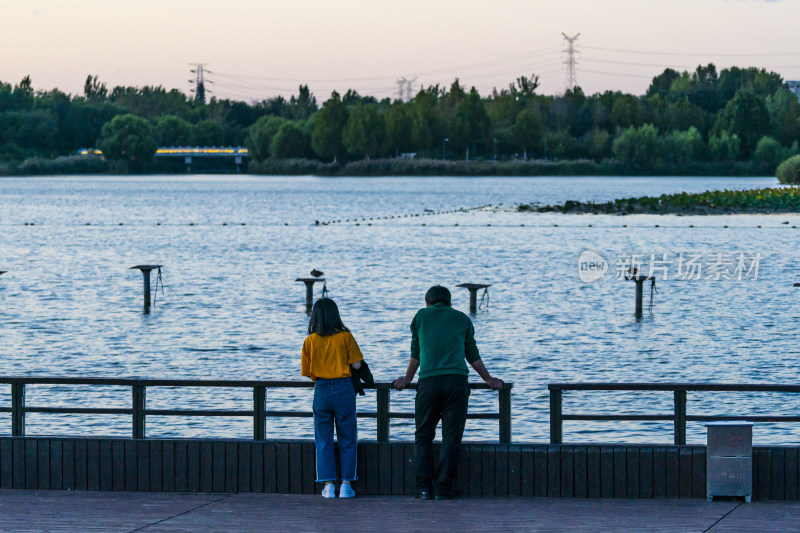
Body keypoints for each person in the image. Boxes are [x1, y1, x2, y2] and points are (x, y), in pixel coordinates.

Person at [393, 285, 504, 500]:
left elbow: (415, 353)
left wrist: (407, 378)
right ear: (450, 303)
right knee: (451, 437)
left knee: (423, 435)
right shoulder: (462, 319)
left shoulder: (421, 316)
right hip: (456, 383)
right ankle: (443, 489)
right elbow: (472, 354)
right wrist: (488, 379)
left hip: (429, 382)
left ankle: (425, 488)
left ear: (427, 302)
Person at [302, 297, 364, 499]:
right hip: (343, 389)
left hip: (321, 389)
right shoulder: (345, 336)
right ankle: (346, 484)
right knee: (348, 437)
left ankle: (328, 485)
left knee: (323, 439)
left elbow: (308, 372)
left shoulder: (310, 340)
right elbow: (356, 366)